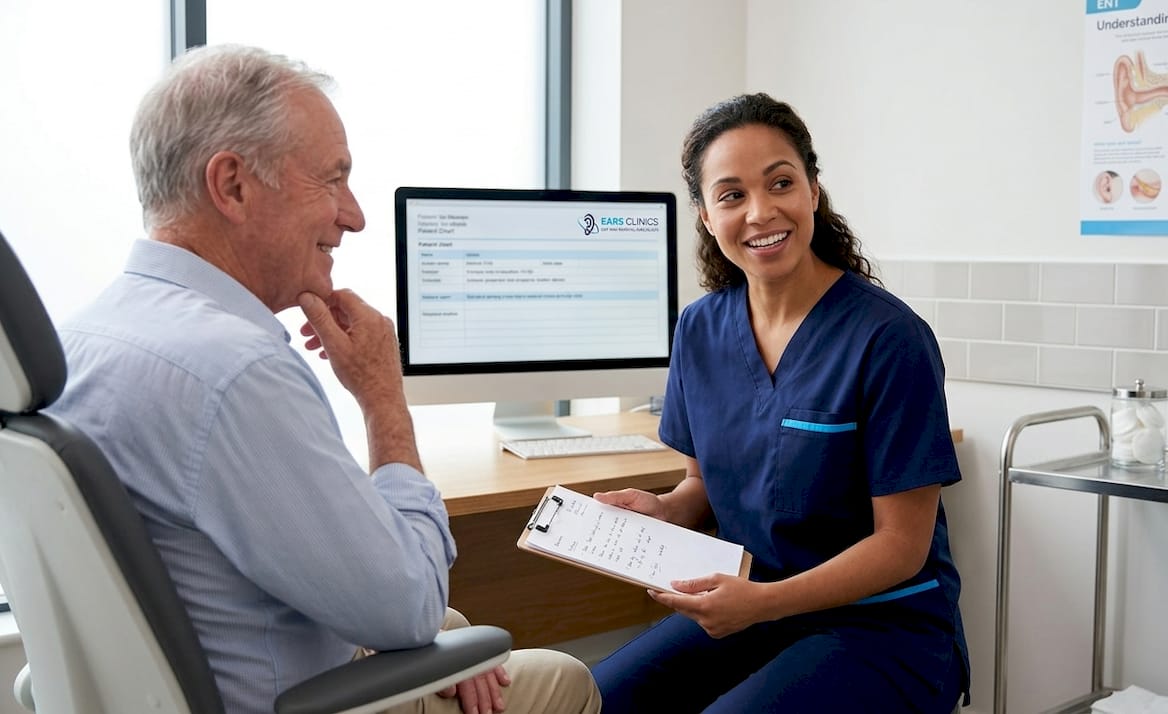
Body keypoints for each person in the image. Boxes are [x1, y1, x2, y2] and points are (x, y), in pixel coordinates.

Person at [48, 43, 599, 714]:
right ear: (233, 185)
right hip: (305, 701)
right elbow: (409, 607)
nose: (355, 214)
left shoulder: (81, 340)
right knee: (565, 679)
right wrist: (382, 398)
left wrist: (429, 625)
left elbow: (252, 568)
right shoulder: (235, 371)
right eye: (332, 179)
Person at [589, 93, 969, 713]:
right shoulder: (700, 329)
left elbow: (901, 546)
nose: (761, 212)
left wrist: (762, 603)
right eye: (732, 195)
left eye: (781, 183)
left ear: (813, 191)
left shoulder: (888, 339)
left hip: (880, 628)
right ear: (707, 216)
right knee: (592, 701)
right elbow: (704, 486)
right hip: (752, 608)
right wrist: (663, 510)